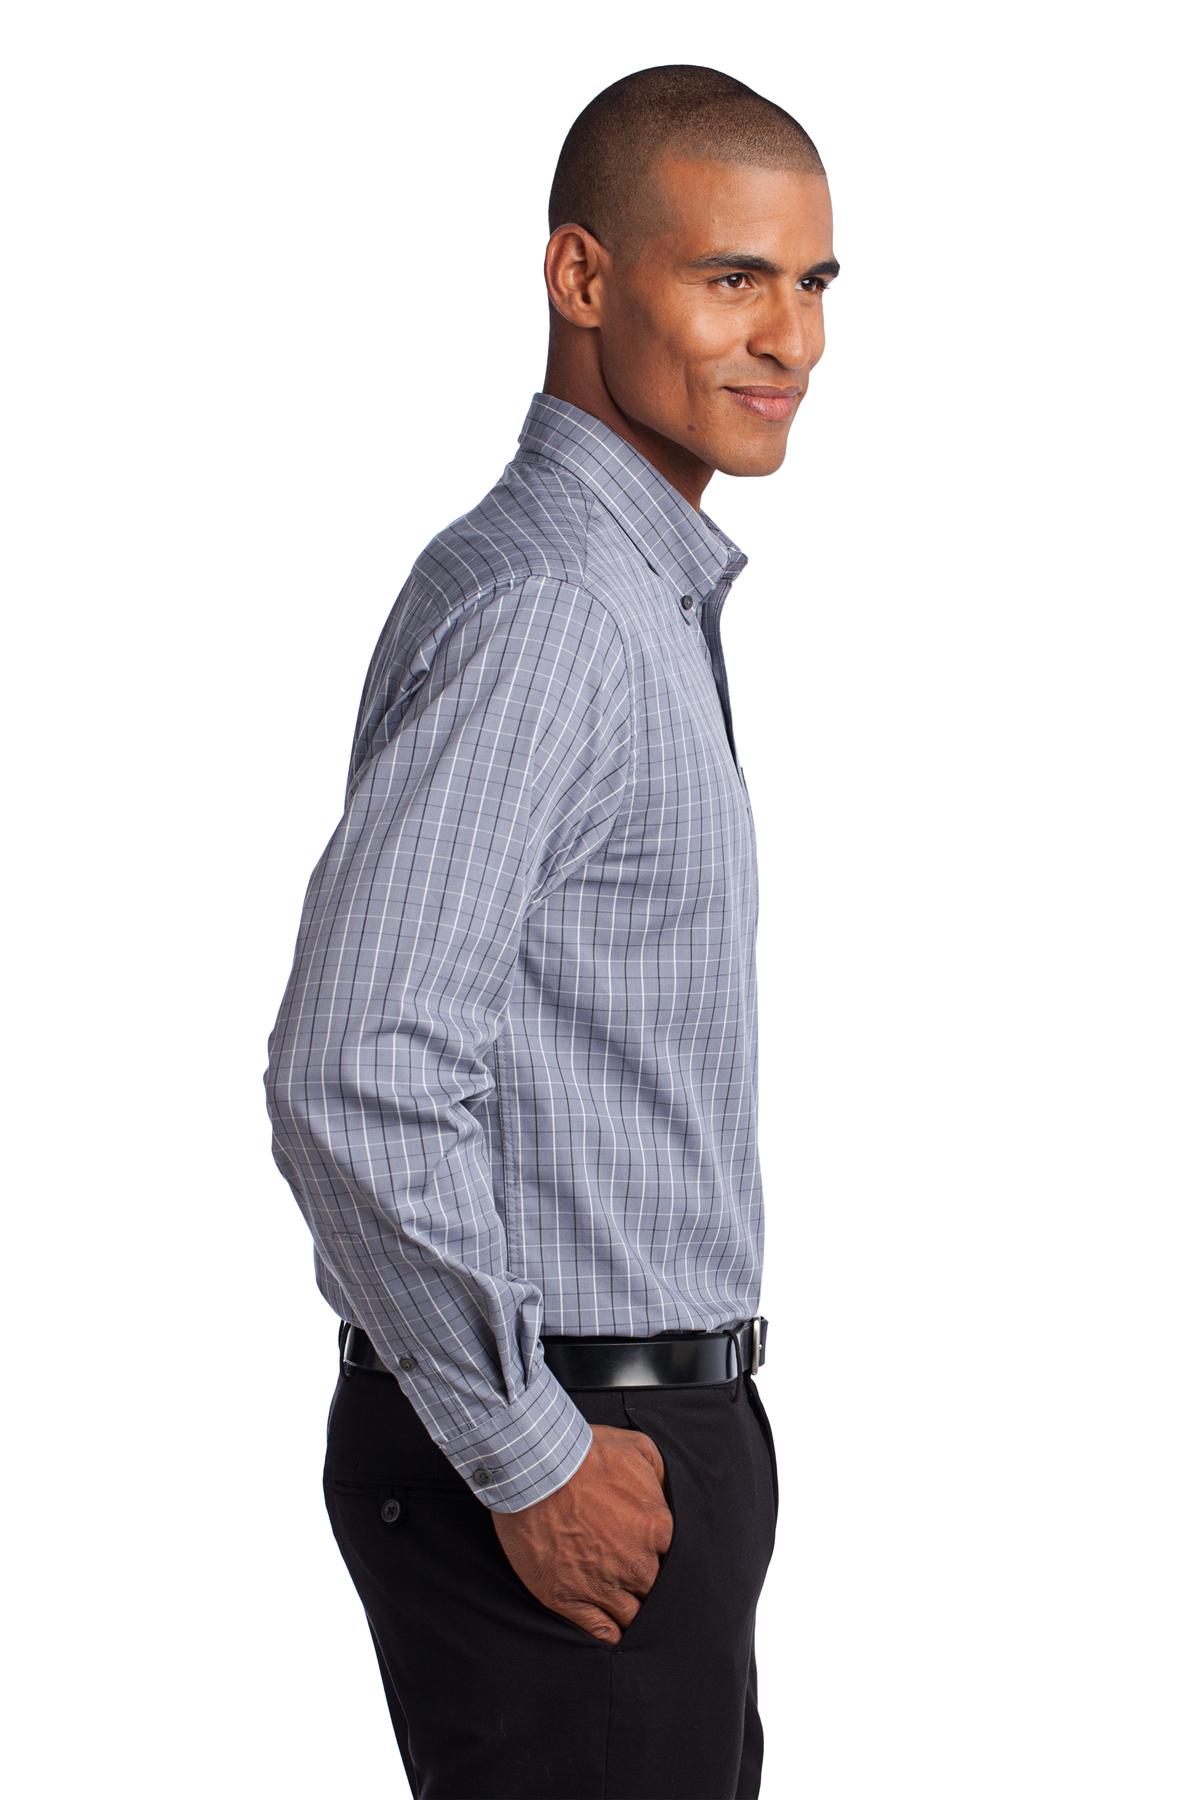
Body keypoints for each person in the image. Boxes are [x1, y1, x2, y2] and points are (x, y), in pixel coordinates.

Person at [263, 60, 837, 1800]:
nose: (792, 340)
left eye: (812, 284)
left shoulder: (621, 592)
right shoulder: (556, 612)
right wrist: (530, 1458)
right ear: (581, 276)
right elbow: (351, 1068)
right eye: (732, 278)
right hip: (562, 1451)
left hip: (625, 1434)